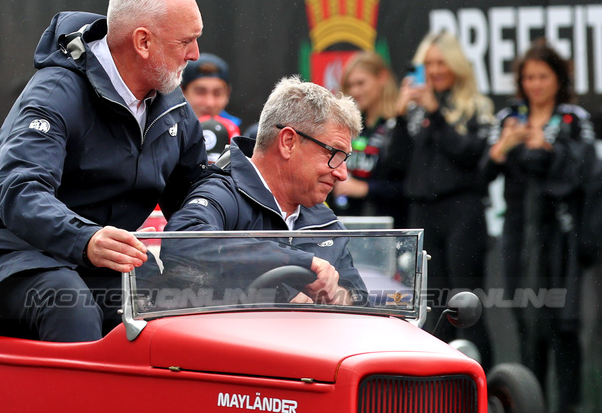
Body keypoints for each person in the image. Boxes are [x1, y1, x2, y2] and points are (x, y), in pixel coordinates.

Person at [0, 0, 208, 343]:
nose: (195, 54)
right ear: (143, 42)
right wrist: (86, 238)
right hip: (2, 251)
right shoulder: (57, 92)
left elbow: (200, 193)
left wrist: (283, 255)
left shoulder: (170, 105)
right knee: (68, 304)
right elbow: (20, 193)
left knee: (175, 307)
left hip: (89, 259)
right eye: (186, 42)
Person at [164, 76, 365, 305]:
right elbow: (181, 241)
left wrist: (331, 300)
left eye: (345, 159)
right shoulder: (223, 194)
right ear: (288, 142)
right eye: (333, 155)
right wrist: (295, 268)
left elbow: (360, 300)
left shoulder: (323, 219)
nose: (342, 174)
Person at [486, 39, 597, 413]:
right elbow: (484, 172)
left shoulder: (573, 118)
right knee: (524, 316)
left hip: (559, 230)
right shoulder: (509, 117)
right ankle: (530, 411)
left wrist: (546, 148)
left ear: (558, 79)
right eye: (528, 76)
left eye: (542, 76)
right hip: (519, 229)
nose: (535, 84)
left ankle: (568, 412)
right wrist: (506, 146)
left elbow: (584, 169)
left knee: (562, 322)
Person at [388, 31, 496, 361]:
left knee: (466, 302)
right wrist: (401, 117)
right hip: (422, 212)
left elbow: (468, 155)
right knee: (431, 306)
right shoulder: (415, 110)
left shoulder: (475, 107)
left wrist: (435, 113)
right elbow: (394, 163)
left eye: (441, 62)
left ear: (455, 65)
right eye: (428, 64)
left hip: (462, 212)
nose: (434, 70)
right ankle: (436, 381)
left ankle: (485, 384)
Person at [332, 51, 407, 226]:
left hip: (389, 226)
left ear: (382, 78)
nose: (355, 91)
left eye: (361, 83)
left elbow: (410, 186)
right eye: (350, 85)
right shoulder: (350, 127)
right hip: (347, 222)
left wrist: (366, 189)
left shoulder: (400, 125)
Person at [181, 53, 243, 137]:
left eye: (217, 93)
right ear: (182, 92)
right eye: (200, 92)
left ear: (228, 94)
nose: (209, 103)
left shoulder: (242, 136)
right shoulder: (166, 132)